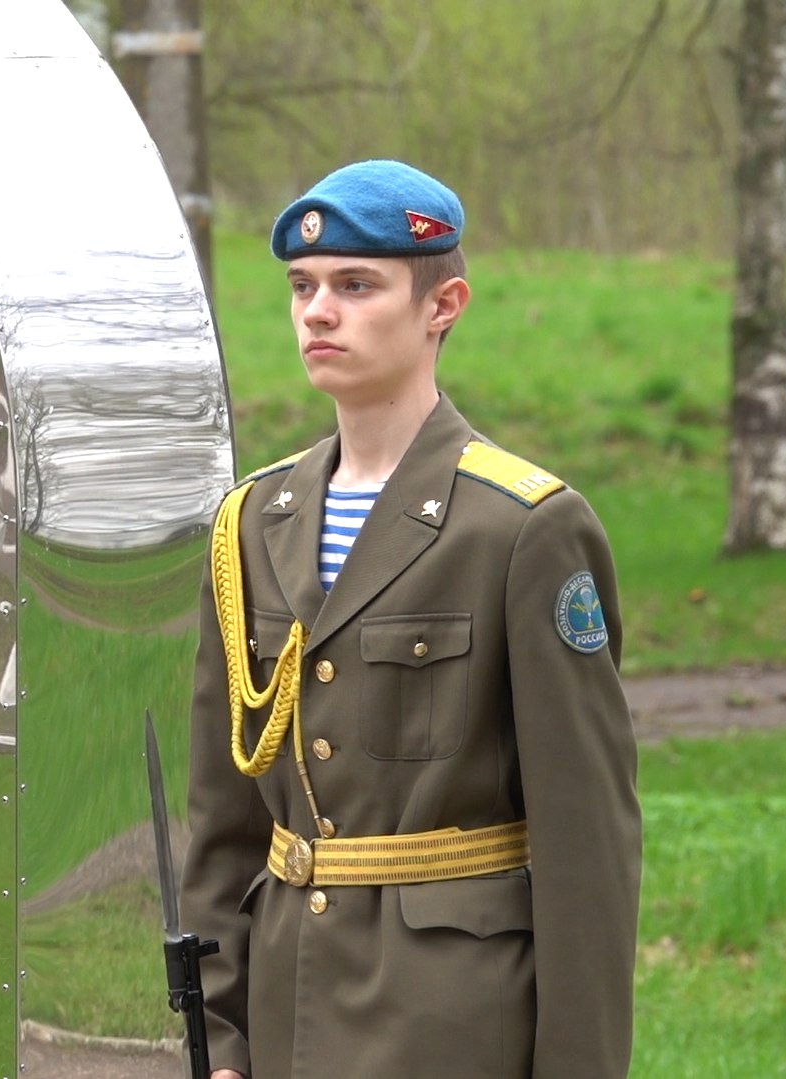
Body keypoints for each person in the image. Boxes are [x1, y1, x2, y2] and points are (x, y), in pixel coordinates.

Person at [180, 160, 640, 1078]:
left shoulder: (521, 528)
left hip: (451, 1020)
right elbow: (224, 816)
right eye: (303, 287)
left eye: (356, 286)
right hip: (282, 1007)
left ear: (443, 305)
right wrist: (218, 1033)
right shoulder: (249, 524)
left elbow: (586, 841)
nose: (317, 311)